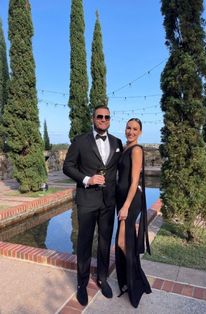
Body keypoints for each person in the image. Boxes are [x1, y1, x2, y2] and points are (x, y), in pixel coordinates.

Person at [63, 105, 123, 306]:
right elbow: (67, 166)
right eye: (100, 116)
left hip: (108, 202)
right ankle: (81, 284)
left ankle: (102, 278)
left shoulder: (117, 142)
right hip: (87, 200)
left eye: (107, 116)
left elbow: (121, 168)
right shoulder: (80, 141)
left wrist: (135, 187)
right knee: (85, 243)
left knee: (105, 241)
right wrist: (87, 179)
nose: (103, 119)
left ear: (110, 119)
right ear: (93, 118)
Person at [115, 118, 152, 308]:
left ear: (140, 132)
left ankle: (135, 284)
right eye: (128, 128)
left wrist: (125, 206)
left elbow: (134, 180)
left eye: (135, 129)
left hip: (130, 201)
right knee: (123, 240)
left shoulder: (136, 150)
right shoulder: (125, 148)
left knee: (123, 242)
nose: (131, 131)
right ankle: (130, 281)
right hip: (122, 200)